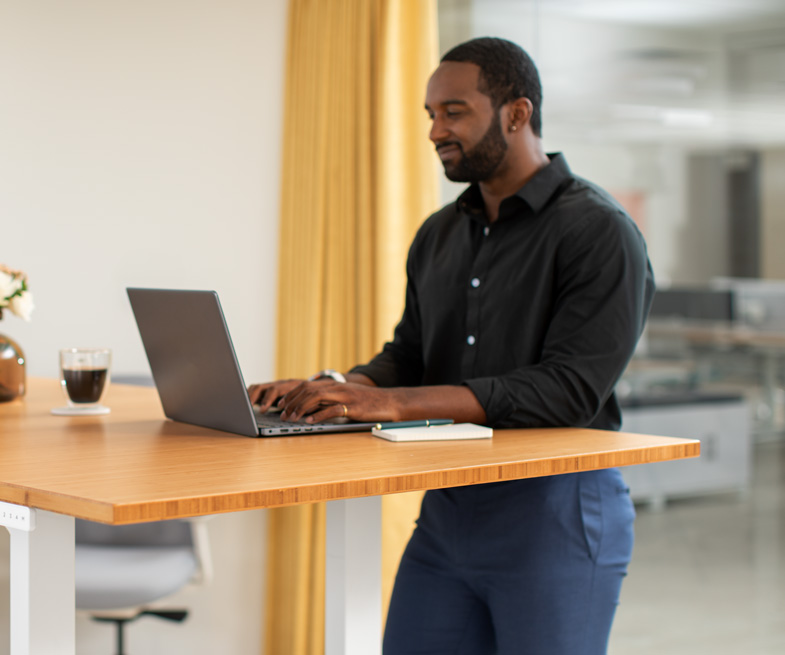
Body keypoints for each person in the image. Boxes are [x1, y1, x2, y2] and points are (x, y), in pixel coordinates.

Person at [248, 37, 654, 655]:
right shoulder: (439, 234)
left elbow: (568, 391)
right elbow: (408, 355)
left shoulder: (598, 232)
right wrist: (339, 390)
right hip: (450, 512)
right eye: (431, 115)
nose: (436, 129)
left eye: (454, 112)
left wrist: (395, 406)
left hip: (557, 510)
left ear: (517, 114)